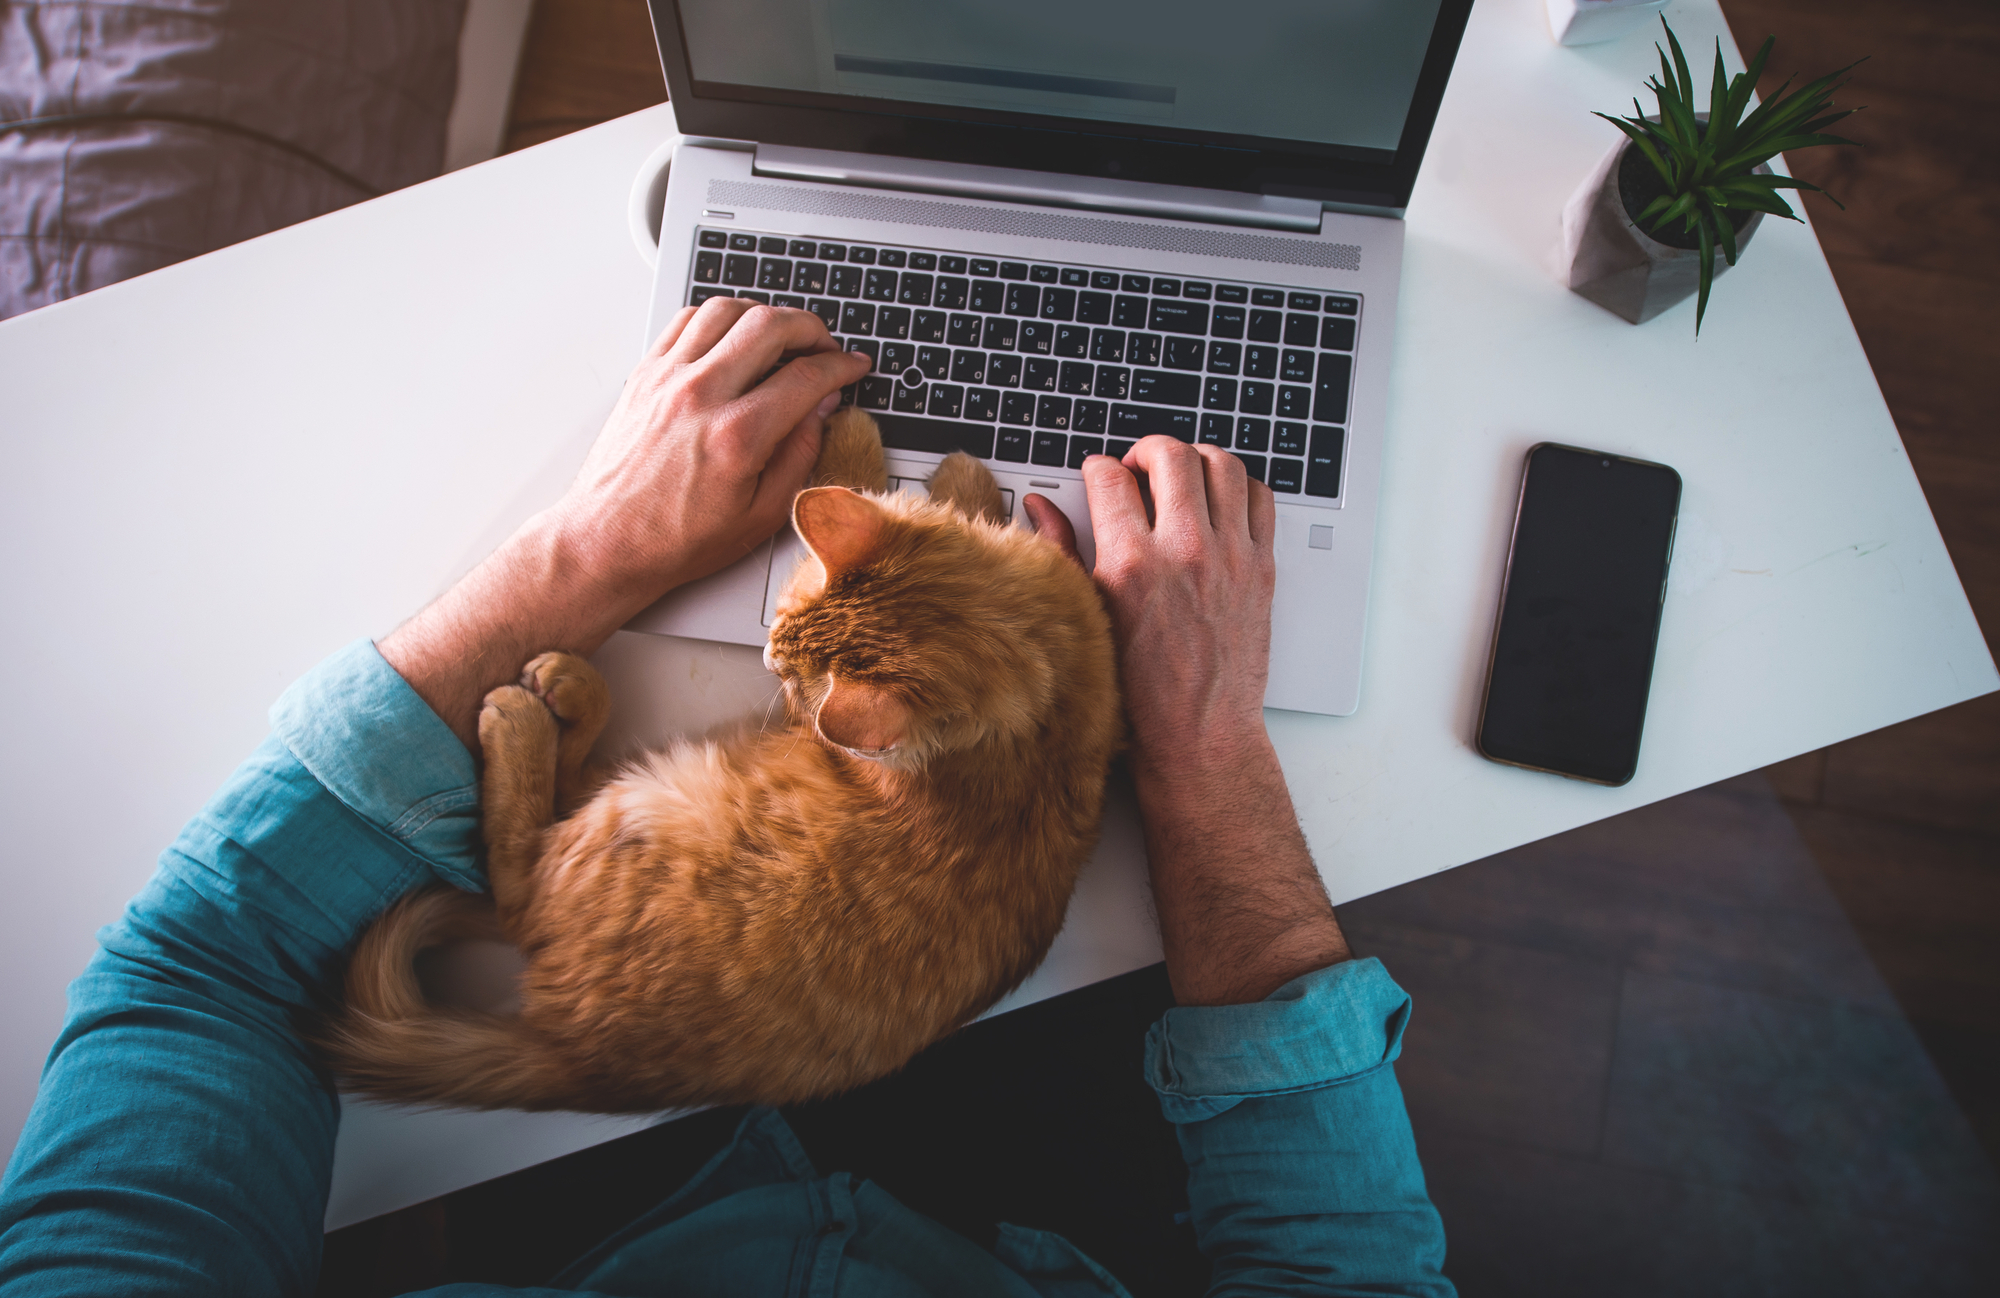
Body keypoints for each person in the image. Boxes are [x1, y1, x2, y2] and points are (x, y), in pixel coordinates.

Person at [0, 301, 1454, 1297]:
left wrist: (579, 557)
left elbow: (207, 968)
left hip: (622, 1189)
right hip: (1048, 1202)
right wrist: (1206, 751)